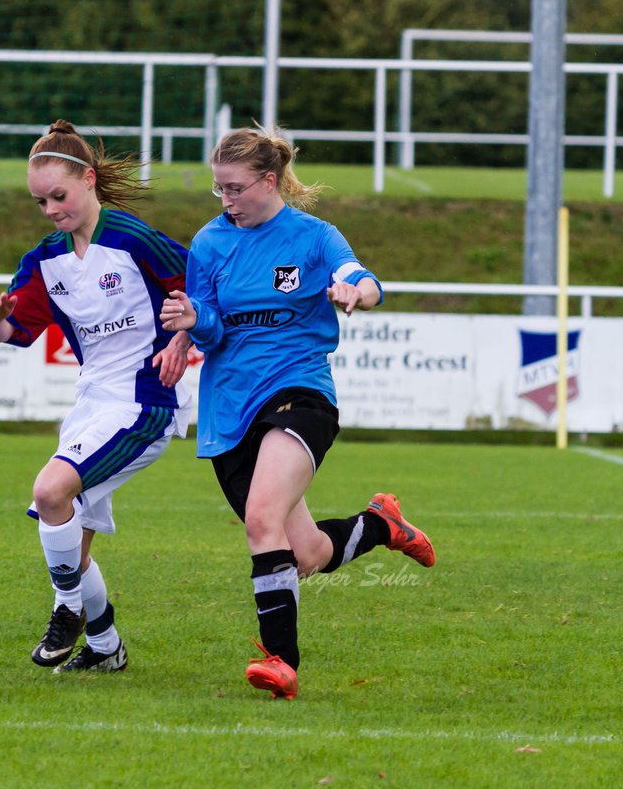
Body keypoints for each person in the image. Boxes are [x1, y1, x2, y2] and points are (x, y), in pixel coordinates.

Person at [158, 125, 435, 700]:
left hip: (299, 394)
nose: (226, 201)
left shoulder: (314, 237)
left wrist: (356, 293)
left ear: (268, 180)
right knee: (304, 554)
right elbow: (211, 320)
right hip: (228, 409)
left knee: (261, 518)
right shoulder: (210, 243)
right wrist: (190, 324)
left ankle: (281, 661)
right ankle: (382, 525)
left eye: (235, 189)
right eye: (218, 191)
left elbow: (362, 278)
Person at [0, 120, 194, 673]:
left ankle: (67, 610)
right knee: (70, 539)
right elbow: (16, 334)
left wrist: (182, 337)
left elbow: (201, 289)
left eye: (59, 195)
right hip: (91, 405)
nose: (51, 209)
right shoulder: (44, 261)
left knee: (51, 492)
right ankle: (105, 650)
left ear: (89, 180)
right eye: (40, 201)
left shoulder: (133, 238)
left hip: (145, 402)